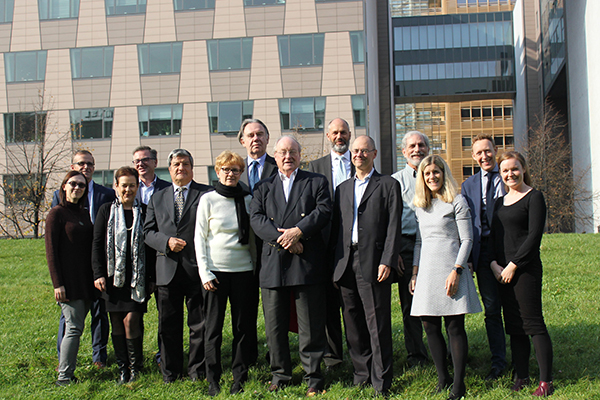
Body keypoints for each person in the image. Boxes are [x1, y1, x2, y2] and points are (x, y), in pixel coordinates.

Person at [249, 135, 332, 396]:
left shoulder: (316, 181)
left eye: (293, 152)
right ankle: (280, 374)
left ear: (300, 155)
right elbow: (256, 218)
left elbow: (323, 211)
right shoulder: (263, 186)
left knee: (310, 326)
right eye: (283, 152)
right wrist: (284, 238)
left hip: (306, 263)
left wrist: (298, 231)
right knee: (274, 327)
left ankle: (313, 377)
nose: (288, 156)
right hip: (274, 263)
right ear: (275, 156)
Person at [331, 135, 401, 396]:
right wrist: (334, 266)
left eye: (364, 151)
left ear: (374, 154)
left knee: (377, 322)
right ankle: (361, 375)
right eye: (355, 151)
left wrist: (388, 260)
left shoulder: (388, 185)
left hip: (373, 261)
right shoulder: (342, 188)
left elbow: (394, 226)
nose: (358, 155)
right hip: (345, 262)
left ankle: (382, 381)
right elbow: (337, 229)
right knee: (353, 322)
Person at [410, 155, 481, 400]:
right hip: (427, 271)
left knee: (454, 327)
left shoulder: (457, 201)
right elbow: (419, 241)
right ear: (422, 177)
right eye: (427, 173)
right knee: (429, 325)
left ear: (444, 173)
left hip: (452, 268)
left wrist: (457, 270)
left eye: (436, 172)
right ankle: (443, 378)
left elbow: (468, 239)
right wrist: (415, 273)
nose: (432, 177)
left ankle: (459, 385)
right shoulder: (420, 205)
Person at [144, 149, 212, 383]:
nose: (180, 168)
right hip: (167, 271)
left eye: (185, 164)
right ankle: (170, 373)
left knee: (199, 325)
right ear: (169, 169)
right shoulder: (157, 197)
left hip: (197, 270)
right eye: (176, 164)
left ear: (192, 168)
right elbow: (147, 232)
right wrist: (166, 242)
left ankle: (197, 372)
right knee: (168, 326)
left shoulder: (206, 194)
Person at [490, 151, 554, 397]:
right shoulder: (499, 202)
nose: (510, 174)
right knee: (514, 326)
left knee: (533, 324)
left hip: (525, 271)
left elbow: (533, 237)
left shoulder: (534, 197)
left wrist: (513, 265)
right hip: (502, 272)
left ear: (523, 169)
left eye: (514, 169)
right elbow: (495, 238)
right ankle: (522, 375)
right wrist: (495, 265)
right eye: (505, 170)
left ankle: (546, 381)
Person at [194, 151, 257, 396]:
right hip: (215, 274)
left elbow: (254, 237)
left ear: (241, 173)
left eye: (236, 170)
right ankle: (213, 378)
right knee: (213, 329)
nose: (230, 174)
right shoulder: (208, 199)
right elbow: (199, 238)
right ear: (217, 171)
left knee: (243, 327)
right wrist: (205, 272)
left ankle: (239, 377)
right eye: (226, 169)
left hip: (244, 272)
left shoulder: (249, 199)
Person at [51, 150, 115, 369]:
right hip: (71, 271)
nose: (85, 167)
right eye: (80, 163)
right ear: (72, 168)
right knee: (70, 320)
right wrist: (58, 280)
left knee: (100, 313)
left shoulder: (106, 194)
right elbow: (54, 244)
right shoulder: (59, 206)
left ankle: (99, 357)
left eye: (89, 164)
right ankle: (64, 362)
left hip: (97, 267)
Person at [92, 167, 154, 384]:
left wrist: (152, 280)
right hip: (111, 278)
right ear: (116, 186)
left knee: (131, 321)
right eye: (124, 185)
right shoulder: (105, 211)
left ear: (138, 187)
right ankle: (122, 369)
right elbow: (97, 244)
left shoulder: (146, 211)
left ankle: (136, 367)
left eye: (132, 185)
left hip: (138, 278)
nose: (128, 189)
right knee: (116, 322)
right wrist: (98, 274)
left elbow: (152, 249)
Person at [307, 117, 355, 369]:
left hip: (354, 243)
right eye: (335, 132)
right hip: (323, 245)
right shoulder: (314, 168)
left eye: (344, 132)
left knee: (353, 304)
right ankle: (333, 358)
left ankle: (360, 355)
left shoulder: (360, 163)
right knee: (327, 305)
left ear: (350, 134)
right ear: (328, 136)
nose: (340, 136)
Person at [461, 134, 507, 380]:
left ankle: (521, 357)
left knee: (514, 306)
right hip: (482, 251)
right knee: (491, 308)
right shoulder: (468, 185)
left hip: (508, 248)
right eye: (479, 153)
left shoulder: (508, 175)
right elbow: (467, 223)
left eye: (488, 151)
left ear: (495, 150)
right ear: (473, 156)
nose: (484, 156)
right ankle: (498, 362)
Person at [45, 171, 95, 386]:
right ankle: (64, 376)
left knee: (77, 327)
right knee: (74, 328)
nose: (77, 188)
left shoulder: (84, 214)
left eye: (82, 185)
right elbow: (51, 252)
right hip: (68, 283)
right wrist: (58, 284)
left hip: (87, 281)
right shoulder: (57, 214)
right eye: (73, 184)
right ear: (64, 186)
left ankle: (68, 372)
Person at [390, 131, 430, 367]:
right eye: (412, 146)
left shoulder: (438, 176)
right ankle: (416, 354)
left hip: (435, 243)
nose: (417, 149)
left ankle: (442, 349)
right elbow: (389, 219)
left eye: (422, 145)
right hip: (405, 244)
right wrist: (394, 251)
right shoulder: (394, 181)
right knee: (411, 302)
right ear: (403, 152)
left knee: (438, 301)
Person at [131, 145, 170, 367]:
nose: (141, 164)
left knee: (164, 313)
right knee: (135, 312)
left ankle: (162, 356)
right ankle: (135, 359)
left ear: (155, 162)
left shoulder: (167, 188)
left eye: (145, 159)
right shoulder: (128, 188)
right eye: (137, 160)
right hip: (136, 261)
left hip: (162, 258)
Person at [238, 119, 278, 193]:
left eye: (259, 134)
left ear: (267, 139)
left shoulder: (279, 167)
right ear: (243, 142)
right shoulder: (237, 169)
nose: (256, 138)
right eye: (251, 135)